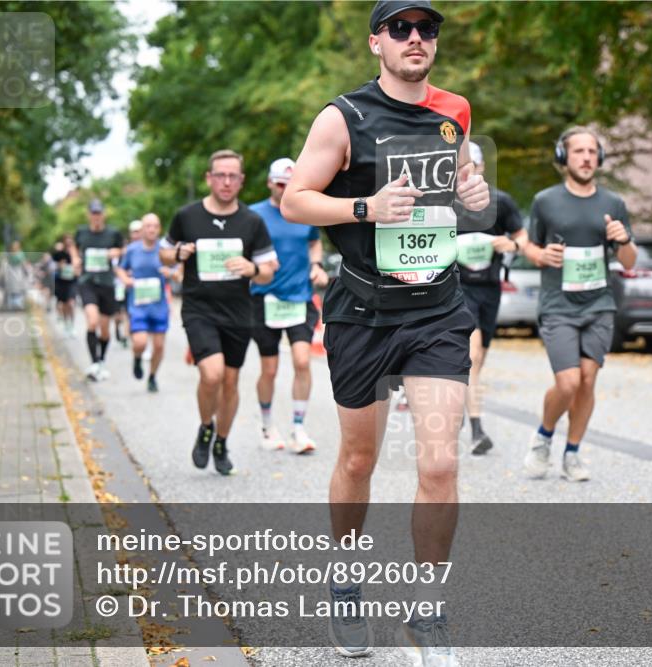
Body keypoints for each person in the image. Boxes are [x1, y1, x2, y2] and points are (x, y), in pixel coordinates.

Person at [280, 2, 489, 663]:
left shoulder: (455, 111)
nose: (416, 39)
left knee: (441, 460)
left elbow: (456, 192)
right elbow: (295, 200)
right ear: (377, 42)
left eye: (426, 29)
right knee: (359, 459)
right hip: (363, 312)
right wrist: (364, 206)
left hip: (436, 308)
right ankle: (345, 578)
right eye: (400, 29)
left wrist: (473, 193)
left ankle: (426, 612)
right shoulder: (343, 117)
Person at [521, 127, 636, 482]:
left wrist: (624, 238)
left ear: (599, 158)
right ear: (563, 158)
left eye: (592, 151)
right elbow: (528, 247)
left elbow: (629, 261)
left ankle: (572, 452)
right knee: (568, 382)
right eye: (578, 151)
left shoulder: (613, 204)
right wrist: (542, 254)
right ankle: (543, 435)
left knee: (587, 380)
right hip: (558, 305)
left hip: (599, 304)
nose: (586, 157)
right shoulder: (546, 201)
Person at [160, 149, 278, 476]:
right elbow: (165, 254)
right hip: (199, 308)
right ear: (209, 178)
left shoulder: (252, 222)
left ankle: (222, 441)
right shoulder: (187, 216)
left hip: (239, 311)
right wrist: (180, 252)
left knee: (230, 380)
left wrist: (252, 268)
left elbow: (269, 269)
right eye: (220, 175)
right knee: (211, 374)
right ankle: (205, 426)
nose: (226, 182)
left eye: (233, 176)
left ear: (241, 181)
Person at [250, 157, 329, 454]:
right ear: (270, 182)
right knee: (269, 369)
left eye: (290, 184)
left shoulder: (304, 212)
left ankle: (298, 428)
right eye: (280, 184)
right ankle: (268, 425)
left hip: (299, 296)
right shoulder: (254, 215)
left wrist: (317, 265)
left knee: (302, 361)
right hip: (264, 297)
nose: (285, 190)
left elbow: (313, 242)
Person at [457, 141, 527, 455]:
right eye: (461, 166)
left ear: (482, 167)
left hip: (489, 289)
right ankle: (476, 429)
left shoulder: (501, 202)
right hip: (457, 290)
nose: (467, 171)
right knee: (471, 355)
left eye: (472, 164)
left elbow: (522, 240)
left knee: (478, 360)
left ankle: (458, 405)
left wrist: (508, 245)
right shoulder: (445, 204)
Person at [70, 198, 124, 382]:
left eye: (99, 213)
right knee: (92, 321)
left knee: (105, 330)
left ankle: (101, 361)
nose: (96, 217)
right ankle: (94, 363)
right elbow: (73, 248)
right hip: (87, 282)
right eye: (93, 213)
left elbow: (123, 249)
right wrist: (75, 259)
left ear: (103, 215)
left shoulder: (113, 233)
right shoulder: (81, 232)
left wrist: (116, 252)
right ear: (89, 215)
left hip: (107, 283)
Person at [116, 213, 171, 393]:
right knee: (139, 342)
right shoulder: (132, 250)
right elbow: (120, 269)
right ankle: (137, 358)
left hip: (159, 305)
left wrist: (171, 273)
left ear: (159, 228)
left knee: (159, 346)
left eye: (155, 226)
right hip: (138, 305)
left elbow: (179, 270)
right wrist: (126, 280)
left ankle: (153, 377)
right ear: (142, 229)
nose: (152, 229)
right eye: (148, 226)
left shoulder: (164, 250)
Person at [114, 220, 143, 347]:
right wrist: (125, 276)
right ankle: (118, 330)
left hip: (140, 289)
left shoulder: (147, 248)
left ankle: (127, 337)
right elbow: (117, 268)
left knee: (130, 314)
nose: (137, 235)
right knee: (118, 315)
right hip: (122, 287)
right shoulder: (126, 251)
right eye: (134, 232)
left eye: (139, 232)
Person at [52, 235, 77, 336]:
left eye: (70, 243)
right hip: (61, 282)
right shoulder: (58, 254)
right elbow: (52, 266)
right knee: (64, 304)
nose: (69, 245)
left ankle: (72, 324)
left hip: (72, 282)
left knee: (71, 303)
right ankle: (66, 323)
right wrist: (59, 265)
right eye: (67, 243)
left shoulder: (76, 254)